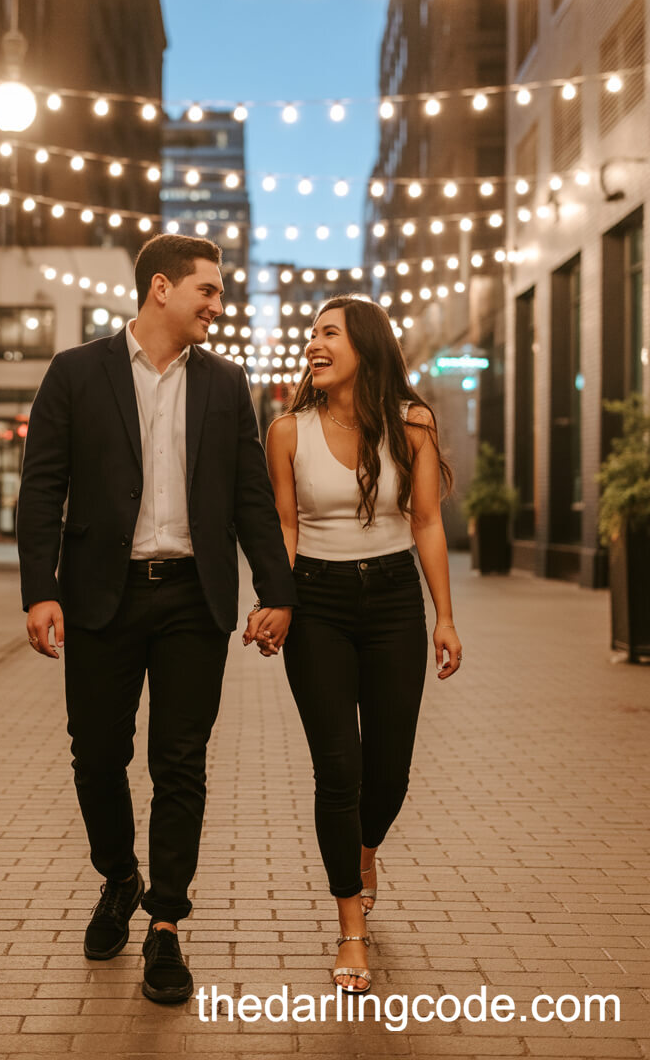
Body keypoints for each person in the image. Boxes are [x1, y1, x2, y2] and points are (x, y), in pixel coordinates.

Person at [17, 234, 296, 1005]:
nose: (218, 303)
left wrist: (278, 589)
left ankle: (165, 924)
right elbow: (42, 488)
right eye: (207, 290)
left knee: (181, 762)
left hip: (191, 599)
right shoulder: (76, 373)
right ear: (162, 288)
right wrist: (39, 589)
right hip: (101, 596)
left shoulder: (225, 382)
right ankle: (119, 876)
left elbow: (248, 497)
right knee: (97, 755)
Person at [244, 295, 462, 994]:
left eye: (329, 332)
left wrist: (444, 618)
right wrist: (276, 599)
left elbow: (426, 521)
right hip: (320, 606)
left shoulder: (413, 425)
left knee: (388, 771)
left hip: (396, 600)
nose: (314, 342)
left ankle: (366, 851)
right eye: (311, 333)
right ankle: (350, 928)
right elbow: (287, 527)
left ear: (365, 347)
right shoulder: (286, 431)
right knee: (338, 770)